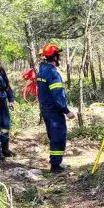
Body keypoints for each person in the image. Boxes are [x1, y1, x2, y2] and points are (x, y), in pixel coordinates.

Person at [36, 43, 75, 174]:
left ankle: (55, 163)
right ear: (55, 57)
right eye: (58, 56)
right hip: (54, 111)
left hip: (45, 109)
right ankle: (55, 166)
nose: (59, 58)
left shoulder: (42, 69)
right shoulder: (53, 73)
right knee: (58, 137)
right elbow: (58, 95)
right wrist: (67, 111)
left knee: (53, 136)